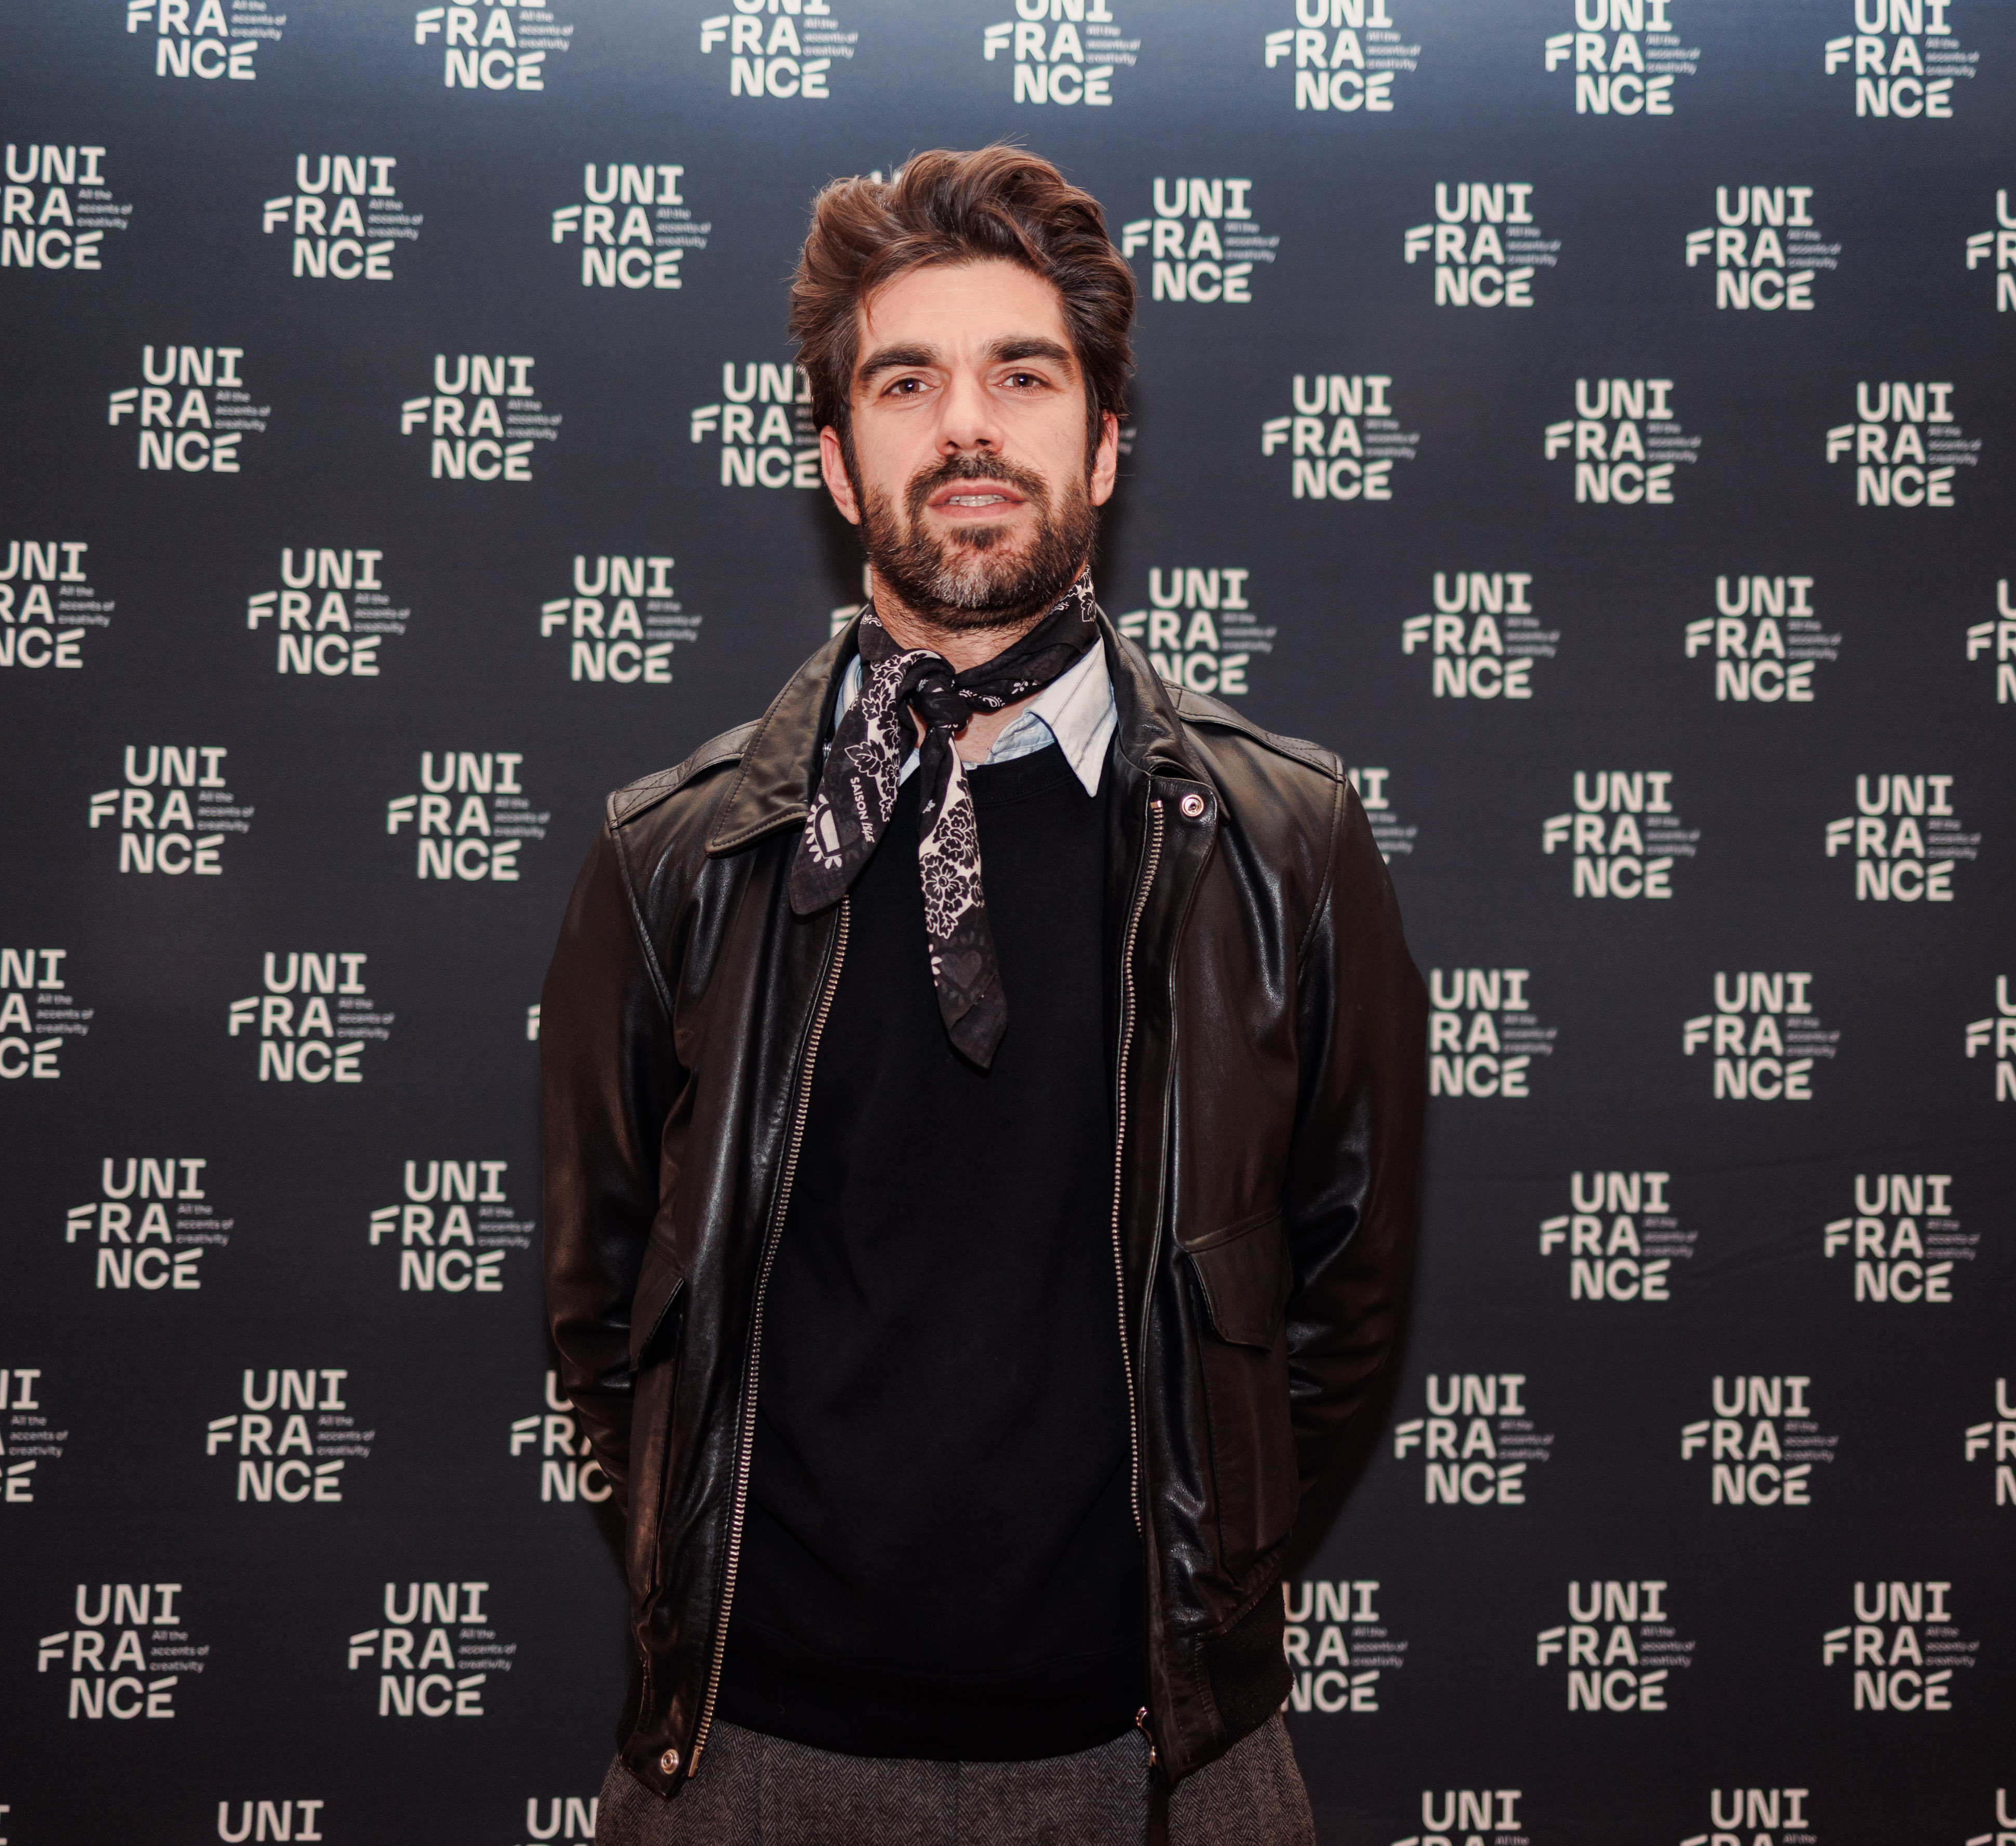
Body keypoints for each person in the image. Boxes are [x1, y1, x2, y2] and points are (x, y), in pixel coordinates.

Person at [540, 145, 1423, 1845]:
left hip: (1164, 1766)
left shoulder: (1285, 841)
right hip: (745, 1757)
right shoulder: (675, 857)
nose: (966, 426)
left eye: (1023, 376)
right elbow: (605, 1308)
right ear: (834, 457)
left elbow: (1344, 1296)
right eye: (906, 382)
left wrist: (1193, 1593)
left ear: (1103, 443)